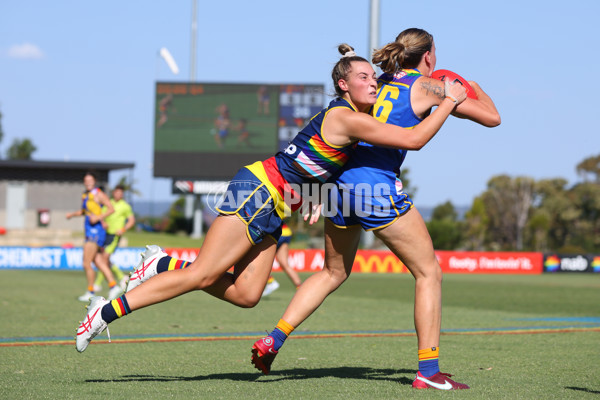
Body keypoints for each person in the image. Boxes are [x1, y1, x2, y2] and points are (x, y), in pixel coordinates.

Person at [75, 44, 467, 353]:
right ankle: (102, 313)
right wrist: (448, 99)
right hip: (258, 191)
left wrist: (317, 192)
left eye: (373, 77)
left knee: (247, 295)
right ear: (344, 85)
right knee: (202, 275)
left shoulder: (351, 118)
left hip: (275, 204)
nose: (373, 82)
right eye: (363, 77)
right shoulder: (349, 117)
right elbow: (413, 140)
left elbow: (317, 164)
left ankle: (162, 264)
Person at [251, 29, 500, 390]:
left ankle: (275, 338)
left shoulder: (376, 81)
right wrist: (469, 83)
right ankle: (428, 372)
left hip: (339, 187)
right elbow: (492, 117)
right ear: (428, 56)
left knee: (332, 272)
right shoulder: (427, 87)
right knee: (428, 272)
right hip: (376, 188)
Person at [66, 172, 123, 302]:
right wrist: (72, 215)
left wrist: (99, 217)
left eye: (90, 180)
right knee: (98, 261)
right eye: (86, 180)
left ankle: (91, 290)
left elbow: (111, 209)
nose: (88, 182)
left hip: (95, 232)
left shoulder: (99, 194)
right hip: (89, 231)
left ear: (95, 181)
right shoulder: (85, 195)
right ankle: (113, 286)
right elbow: (84, 211)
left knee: (86, 263)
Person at [92, 185, 136, 292]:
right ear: (113, 193)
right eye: (117, 192)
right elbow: (100, 215)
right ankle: (121, 277)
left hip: (115, 235)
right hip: (105, 234)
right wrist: (103, 223)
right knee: (103, 259)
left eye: (121, 193)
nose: (118, 194)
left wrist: (123, 229)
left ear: (122, 194)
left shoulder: (125, 206)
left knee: (105, 258)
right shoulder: (108, 203)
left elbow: (131, 221)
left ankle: (98, 284)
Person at [261, 223, 302, 297]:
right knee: (284, 263)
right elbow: (287, 213)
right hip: (286, 232)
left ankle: (270, 281)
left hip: (275, 232)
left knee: (260, 259)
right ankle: (300, 288)